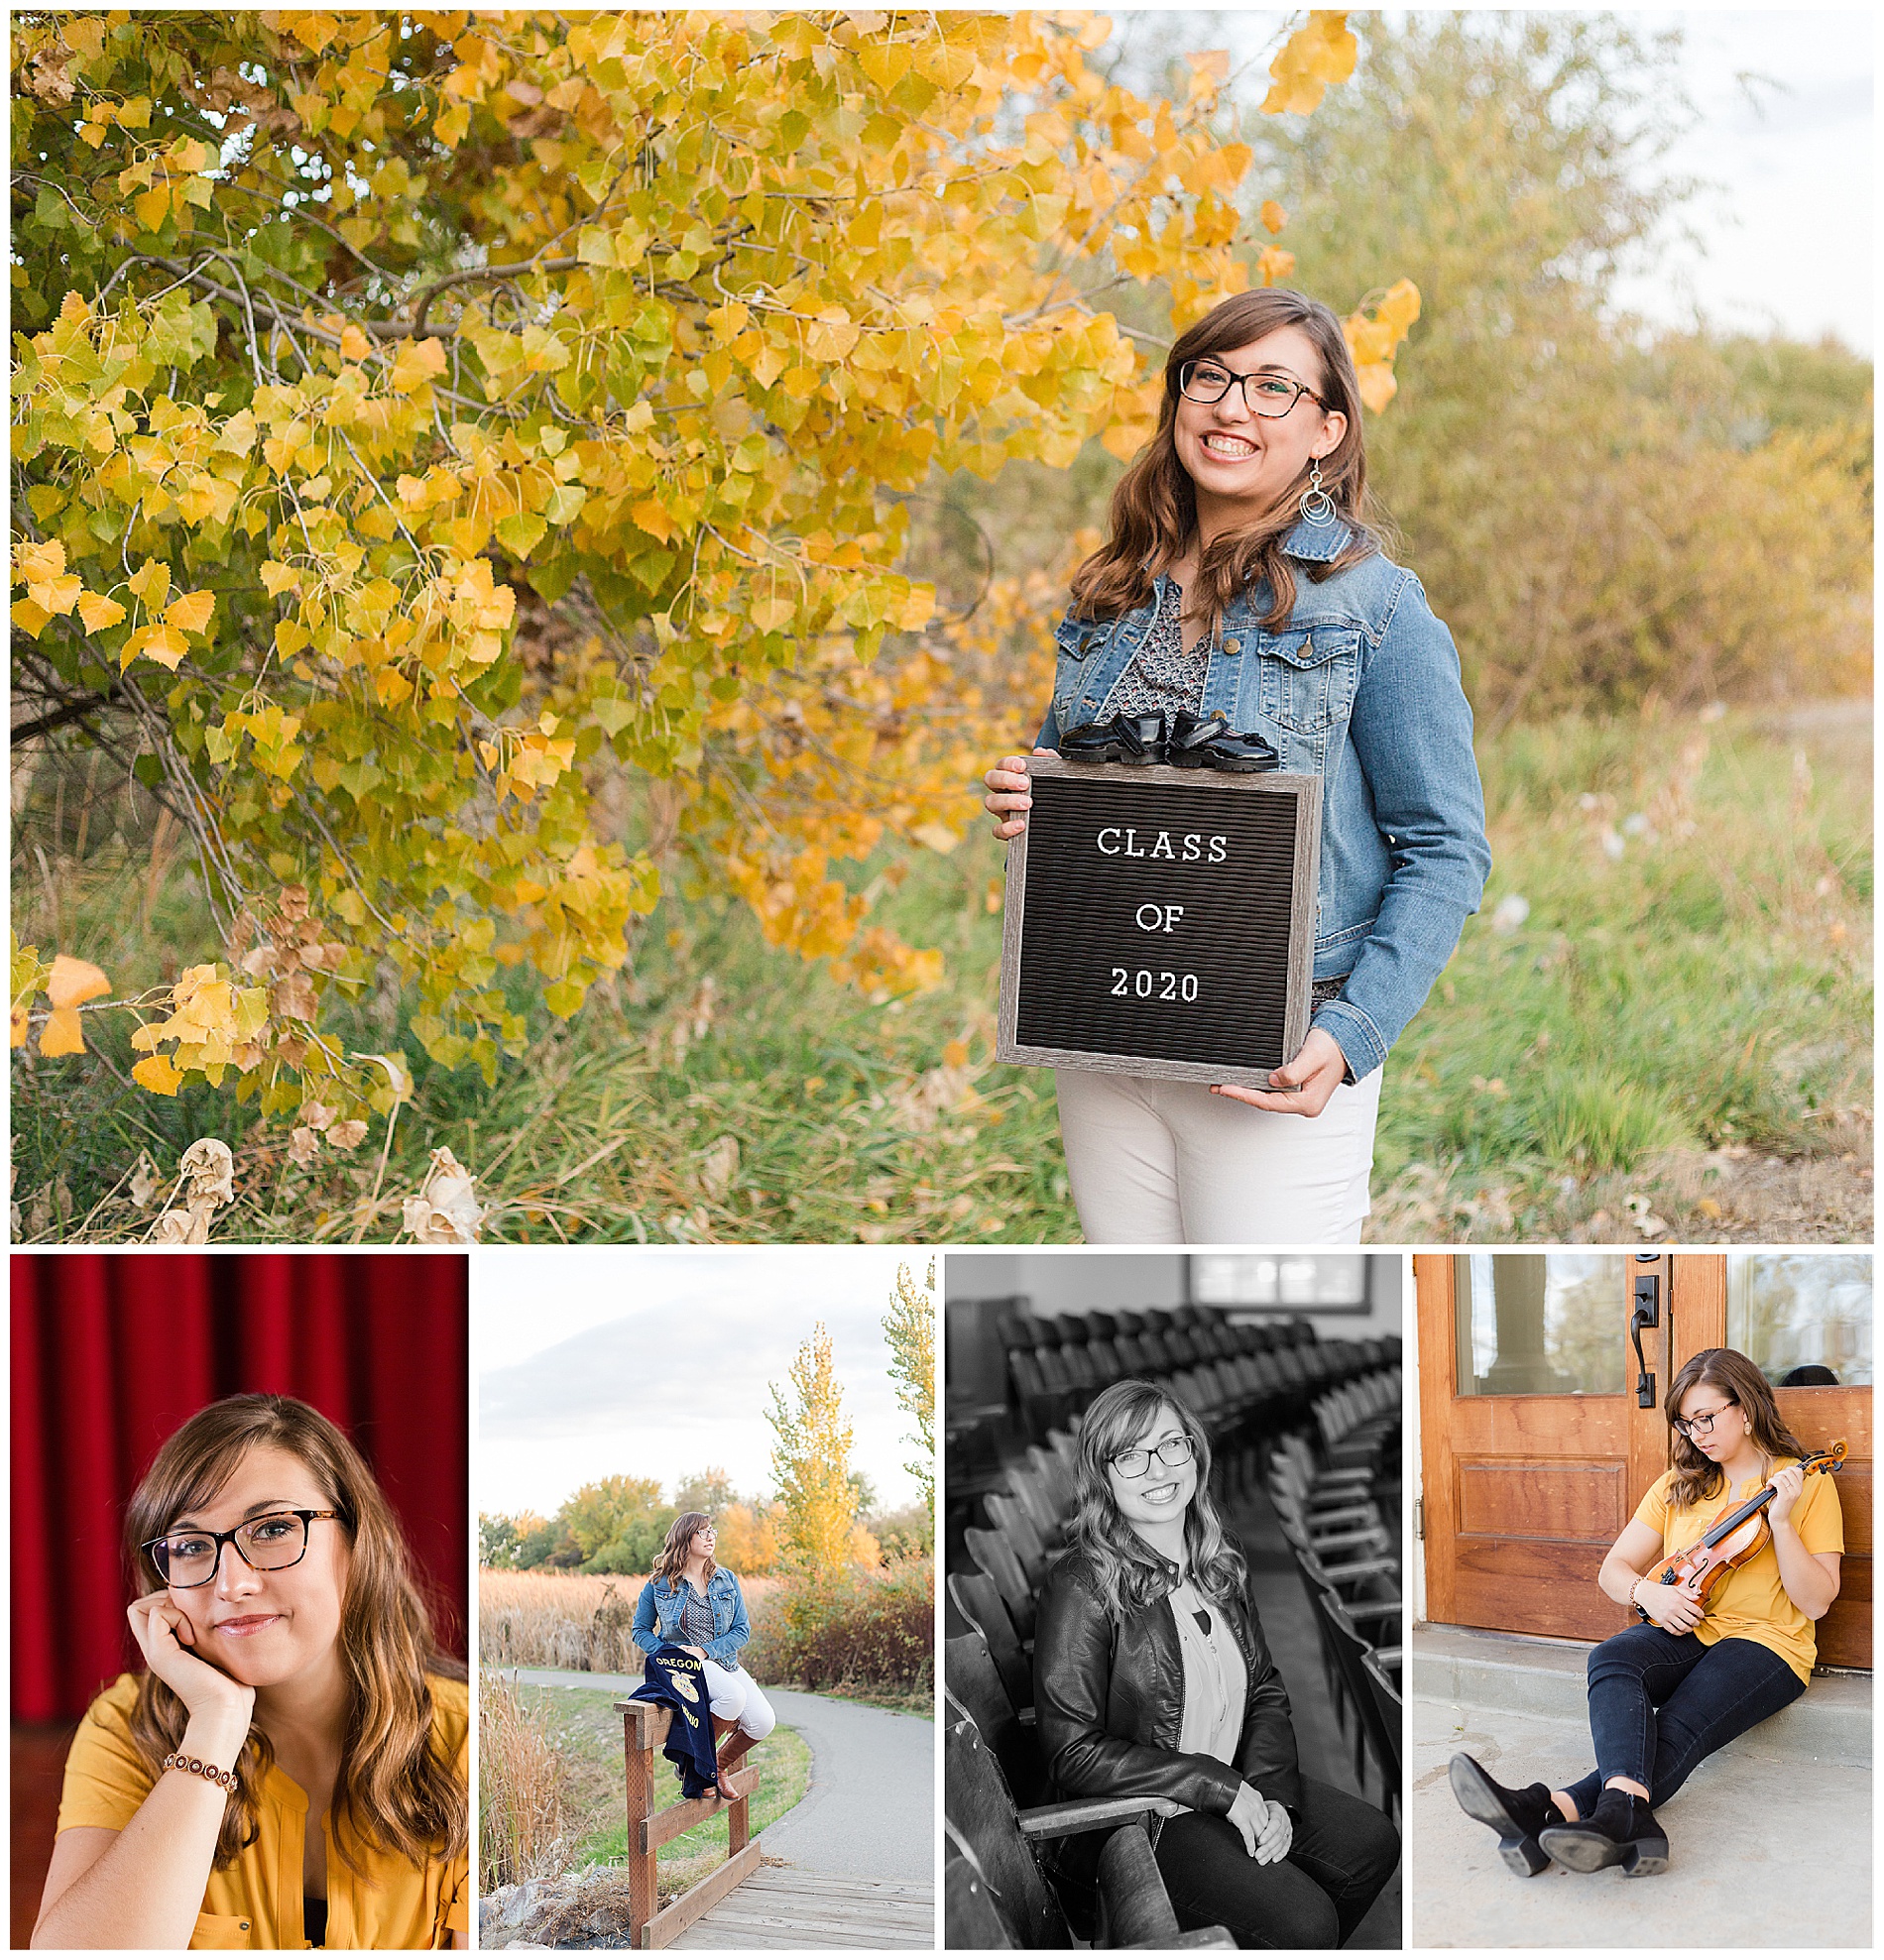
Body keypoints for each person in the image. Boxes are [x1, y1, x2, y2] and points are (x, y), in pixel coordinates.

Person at [984, 287, 1489, 1244]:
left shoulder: (1375, 607)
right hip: (1104, 1027)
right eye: (1210, 377)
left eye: (1272, 388)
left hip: (1274, 1046)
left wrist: (1351, 1034)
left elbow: (1446, 848)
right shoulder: (1113, 587)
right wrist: (1027, 796)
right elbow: (1074, 777)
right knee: (1138, 1311)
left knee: (1269, 1323)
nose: (1231, 407)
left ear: (1327, 432)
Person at [34, 1394, 469, 1949]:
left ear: (358, 1544)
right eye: (191, 1545)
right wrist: (213, 1728)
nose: (232, 1584)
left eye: (271, 1530)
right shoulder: (124, 1727)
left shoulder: (462, 1740)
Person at [1450, 1347, 1843, 1877]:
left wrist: (1785, 1522)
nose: (1697, 1433)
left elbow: (1816, 1600)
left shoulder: (1805, 1483)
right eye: (1686, 1423)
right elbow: (1613, 1570)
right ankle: (1624, 1815)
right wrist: (1647, 1593)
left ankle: (1545, 1808)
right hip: (1687, 1626)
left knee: (1677, 1724)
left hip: (1767, 1645)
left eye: (1707, 1417)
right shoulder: (1678, 1485)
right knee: (1613, 1658)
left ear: (1746, 1408)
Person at [1033, 1378, 1398, 1948]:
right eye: (1130, 1456)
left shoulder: (1216, 1559)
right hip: (1136, 1817)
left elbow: (1265, 1690)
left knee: (1370, 1843)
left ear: (1194, 1452)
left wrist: (1271, 1793)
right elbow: (1071, 1752)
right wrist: (1215, 1784)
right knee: (1304, 1921)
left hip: (1226, 1780)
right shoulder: (1082, 1584)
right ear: (1102, 1478)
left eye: (1170, 1445)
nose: (1158, 1469)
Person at [631, 1512, 776, 1784]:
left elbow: (742, 1630)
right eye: (703, 1532)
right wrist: (669, 1653)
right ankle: (696, 1766)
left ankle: (713, 1768)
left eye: (712, 1531)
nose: (711, 1537)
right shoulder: (659, 1584)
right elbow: (640, 1631)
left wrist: (706, 1650)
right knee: (732, 1697)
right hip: (683, 1667)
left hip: (722, 1661)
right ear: (685, 1539)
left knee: (763, 1721)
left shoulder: (727, 1579)